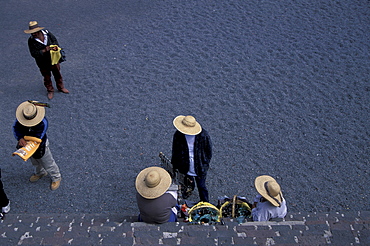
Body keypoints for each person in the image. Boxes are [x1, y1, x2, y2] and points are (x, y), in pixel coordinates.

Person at [13, 101, 61, 190]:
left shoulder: (43, 122)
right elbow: (16, 129)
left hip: (41, 145)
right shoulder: (19, 120)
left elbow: (38, 137)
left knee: (48, 163)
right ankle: (40, 173)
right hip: (28, 145)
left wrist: (24, 139)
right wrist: (20, 138)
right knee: (35, 162)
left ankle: (56, 177)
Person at [171, 115, 212, 202]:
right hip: (184, 165)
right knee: (188, 181)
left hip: (200, 166)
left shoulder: (203, 135)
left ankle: (205, 202)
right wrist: (175, 164)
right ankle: (189, 189)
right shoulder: (178, 135)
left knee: (201, 186)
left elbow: (208, 151)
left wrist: (205, 163)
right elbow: (175, 150)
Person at [24, 21, 69, 100]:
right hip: (42, 63)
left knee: (57, 74)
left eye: (34, 32)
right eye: (32, 32)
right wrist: (44, 50)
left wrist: (54, 47)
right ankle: (50, 90)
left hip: (53, 59)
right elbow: (33, 53)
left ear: (38, 30)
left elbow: (55, 41)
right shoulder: (31, 41)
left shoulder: (47, 33)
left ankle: (60, 87)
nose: (33, 34)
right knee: (47, 77)